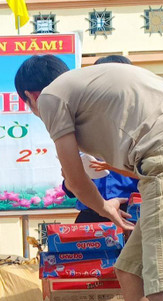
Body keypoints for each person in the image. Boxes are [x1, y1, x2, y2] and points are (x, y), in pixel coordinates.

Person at [15, 55, 163, 301]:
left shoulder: (51, 97)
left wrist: (104, 208)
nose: (37, 112)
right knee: (131, 271)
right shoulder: (95, 86)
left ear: (31, 96)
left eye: (31, 107)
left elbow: (75, 180)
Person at [62, 55, 139, 224]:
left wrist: (119, 200)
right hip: (91, 215)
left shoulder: (142, 125)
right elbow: (69, 188)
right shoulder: (81, 126)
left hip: (132, 213)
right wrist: (70, 179)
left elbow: (153, 176)